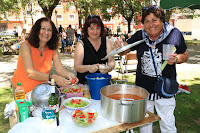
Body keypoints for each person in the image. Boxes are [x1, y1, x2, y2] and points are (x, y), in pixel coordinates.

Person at [114, 5, 188, 133]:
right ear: (143, 23)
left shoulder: (173, 34)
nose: (151, 24)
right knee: (144, 126)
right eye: (147, 21)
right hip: (143, 91)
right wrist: (119, 48)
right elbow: (124, 50)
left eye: (154, 20)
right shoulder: (139, 36)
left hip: (165, 89)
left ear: (162, 21)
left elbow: (185, 55)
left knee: (168, 124)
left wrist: (177, 59)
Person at [12, 17, 78, 96]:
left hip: (40, 91)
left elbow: (60, 69)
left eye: (49, 30)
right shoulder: (25, 45)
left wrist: (69, 75)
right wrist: (52, 77)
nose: (46, 32)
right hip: (22, 91)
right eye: (43, 28)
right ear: (37, 31)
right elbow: (30, 73)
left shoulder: (52, 49)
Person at [74, 15, 115, 84]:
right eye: (92, 28)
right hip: (85, 83)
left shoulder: (107, 41)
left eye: (97, 28)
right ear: (87, 29)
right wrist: (89, 68)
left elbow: (111, 62)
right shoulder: (81, 43)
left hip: (103, 81)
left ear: (101, 29)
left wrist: (109, 68)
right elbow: (77, 67)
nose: (95, 32)